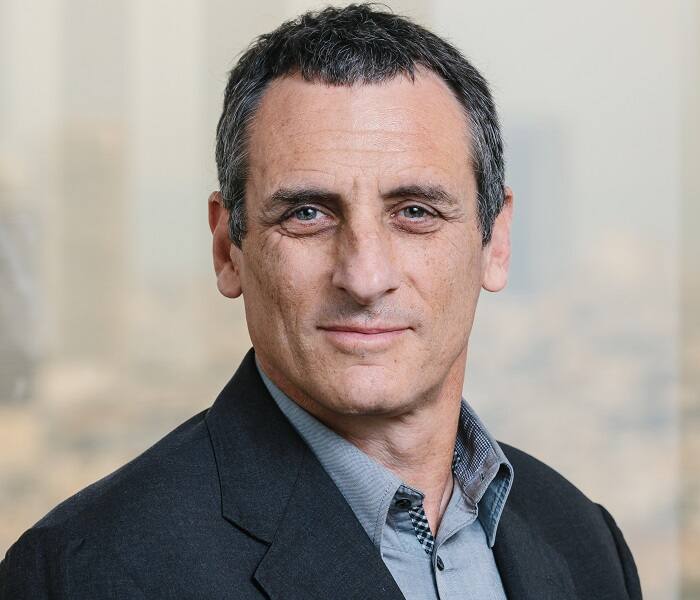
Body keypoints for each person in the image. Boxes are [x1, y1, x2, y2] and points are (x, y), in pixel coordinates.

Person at [0, 4, 642, 599]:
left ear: (494, 242)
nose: (364, 277)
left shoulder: (584, 541)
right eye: (307, 213)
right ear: (228, 249)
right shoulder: (84, 573)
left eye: (415, 212)